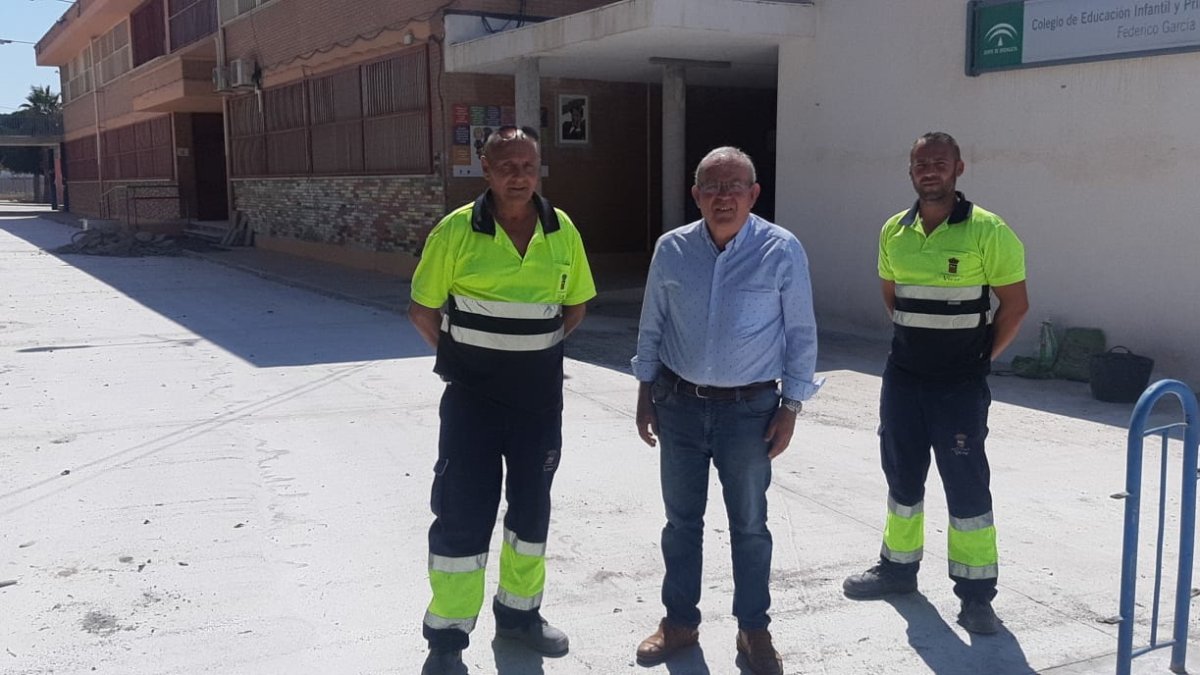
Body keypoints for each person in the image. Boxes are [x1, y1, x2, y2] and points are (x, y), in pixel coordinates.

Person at [407, 126, 596, 674]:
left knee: (531, 514)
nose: (518, 175)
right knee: (462, 515)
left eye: (528, 165)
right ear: (485, 169)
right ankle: (447, 639)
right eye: (506, 165)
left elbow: (576, 306)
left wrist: (531, 354)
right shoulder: (455, 231)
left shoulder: (562, 230)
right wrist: (466, 362)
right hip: (472, 405)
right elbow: (422, 310)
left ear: (539, 169)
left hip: (538, 406)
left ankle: (519, 616)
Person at [631, 146, 821, 675]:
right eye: (712, 187)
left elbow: (801, 333)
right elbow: (652, 323)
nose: (723, 197)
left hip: (750, 412)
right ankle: (679, 622)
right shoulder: (672, 249)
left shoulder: (781, 250)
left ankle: (753, 628)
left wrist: (791, 406)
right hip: (678, 406)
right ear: (696, 195)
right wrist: (645, 392)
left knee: (751, 526)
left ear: (753, 194)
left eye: (735, 186)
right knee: (681, 523)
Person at [842, 132, 1028, 635]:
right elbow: (893, 298)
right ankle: (898, 570)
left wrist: (977, 360)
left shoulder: (988, 230)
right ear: (910, 171)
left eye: (939, 162)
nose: (930, 170)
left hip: (959, 386)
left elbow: (1015, 306)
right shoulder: (894, 231)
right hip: (903, 379)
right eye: (921, 163)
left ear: (958, 169)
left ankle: (976, 596)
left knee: (965, 483)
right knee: (902, 477)